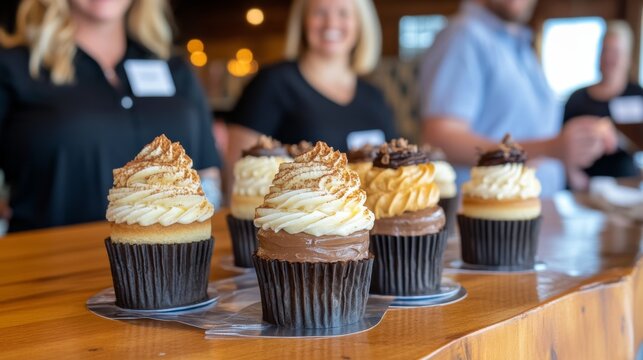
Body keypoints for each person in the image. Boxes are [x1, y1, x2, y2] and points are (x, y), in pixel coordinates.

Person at [0, 0, 222, 232]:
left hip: (176, 259)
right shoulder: (14, 67)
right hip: (51, 260)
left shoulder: (174, 70)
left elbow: (206, 175)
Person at [419, 0, 617, 197]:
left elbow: (530, 129)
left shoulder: (516, 41)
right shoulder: (464, 36)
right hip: (491, 213)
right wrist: (550, 148)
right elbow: (441, 139)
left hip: (538, 208)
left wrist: (566, 162)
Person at [226, 0, 398, 184]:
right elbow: (237, 175)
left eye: (343, 13)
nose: (331, 23)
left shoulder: (374, 96)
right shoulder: (273, 83)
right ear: (303, 22)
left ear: (360, 23)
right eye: (319, 13)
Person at [564, 20, 640, 190]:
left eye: (616, 52)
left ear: (628, 58)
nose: (609, 58)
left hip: (629, 186)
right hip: (585, 187)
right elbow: (561, 143)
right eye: (605, 50)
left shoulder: (637, 95)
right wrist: (574, 177)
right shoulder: (577, 98)